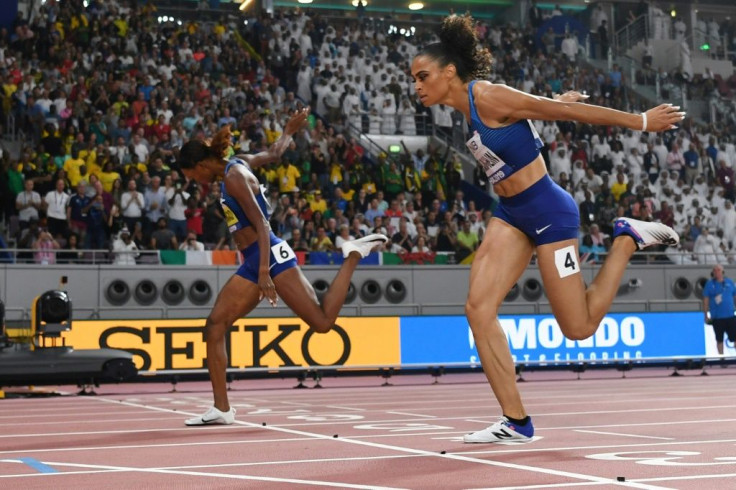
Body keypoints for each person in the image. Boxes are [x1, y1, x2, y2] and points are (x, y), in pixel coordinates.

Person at [411, 14, 683, 443]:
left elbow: (565, 112)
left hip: (549, 212)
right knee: (478, 309)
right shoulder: (466, 108)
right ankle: (516, 422)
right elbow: (534, 110)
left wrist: (642, 122)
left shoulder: (488, 96)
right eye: (414, 79)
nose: (417, 86)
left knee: (578, 328)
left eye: (423, 76)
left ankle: (628, 238)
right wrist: (549, 98)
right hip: (511, 213)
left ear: (449, 73)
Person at [178, 109, 387, 426]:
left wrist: (263, 272)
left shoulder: (234, 177)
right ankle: (221, 408)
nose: (194, 181)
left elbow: (262, 223)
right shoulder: (241, 163)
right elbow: (274, 153)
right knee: (215, 326)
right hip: (257, 258)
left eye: (192, 175)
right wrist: (288, 131)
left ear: (201, 164)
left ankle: (353, 256)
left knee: (322, 322)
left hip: (268, 256)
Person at [703, 264, 736, 356]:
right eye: (714, 270)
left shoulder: (729, 282)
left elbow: (734, 296)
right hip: (717, 317)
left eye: (718, 270)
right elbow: (706, 300)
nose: (716, 272)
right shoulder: (709, 284)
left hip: (730, 315)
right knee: (719, 339)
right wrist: (705, 315)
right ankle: (722, 359)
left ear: (722, 271)